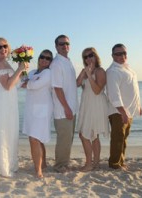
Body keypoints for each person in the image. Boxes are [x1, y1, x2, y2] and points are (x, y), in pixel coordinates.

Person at [0, 37, 28, 177]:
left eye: (4, 46)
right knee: (1, 130)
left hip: (8, 101)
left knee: (8, 130)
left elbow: (14, 82)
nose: (2, 49)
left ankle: (8, 162)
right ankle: (0, 166)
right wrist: (20, 69)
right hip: (1, 101)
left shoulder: (5, 62)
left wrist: (23, 72)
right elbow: (7, 85)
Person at [106, 43, 142, 171]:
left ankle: (120, 161)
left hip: (129, 110)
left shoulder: (127, 69)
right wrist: (122, 112)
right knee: (118, 138)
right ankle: (114, 164)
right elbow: (113, 93)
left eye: (124, 53)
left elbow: (135, 89)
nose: (122, 56)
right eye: (118, 54)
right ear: (113, 56)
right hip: (118, 111)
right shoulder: (113, 71)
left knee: (124, 138)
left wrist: (139, 105)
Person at [21, 49, 53, 178]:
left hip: (43, 108)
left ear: (50, 62)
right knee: (37, 138)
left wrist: (28, 83)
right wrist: (22, 66)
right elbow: (22, 80)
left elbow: (35, 85)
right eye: (42, 57)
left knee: (34, 138)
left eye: (48, 58)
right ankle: (43, 164)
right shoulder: (33, 72)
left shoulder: (48, 73)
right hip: (31, 108)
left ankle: (38, 170)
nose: (44, 60)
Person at [76, 47, 109, 172]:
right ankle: (96, 163)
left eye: (90, 55)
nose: (88, 58)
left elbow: (97, 91)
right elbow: (77, 84)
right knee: (94, 136)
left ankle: (89, 163)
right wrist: (84, 72)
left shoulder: (100, 71)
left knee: (84, 135)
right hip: (87, 104)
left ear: (95, 56)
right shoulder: (85, 70)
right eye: (85, 57)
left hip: (97, 105)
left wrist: (89, 75)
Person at [50, 35, 78, 173]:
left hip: (71, 108)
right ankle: (59, 165)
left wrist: (84, 75)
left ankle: (65, 163)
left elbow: (72, 85)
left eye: (67, 43)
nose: (64, 46)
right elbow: (57, 88)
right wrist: (66, 108)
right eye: (61, 44)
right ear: (56, 46)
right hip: (63, 110)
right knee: (64, 139)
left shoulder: (68, 61)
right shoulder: (56, 64)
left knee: (68, 138)